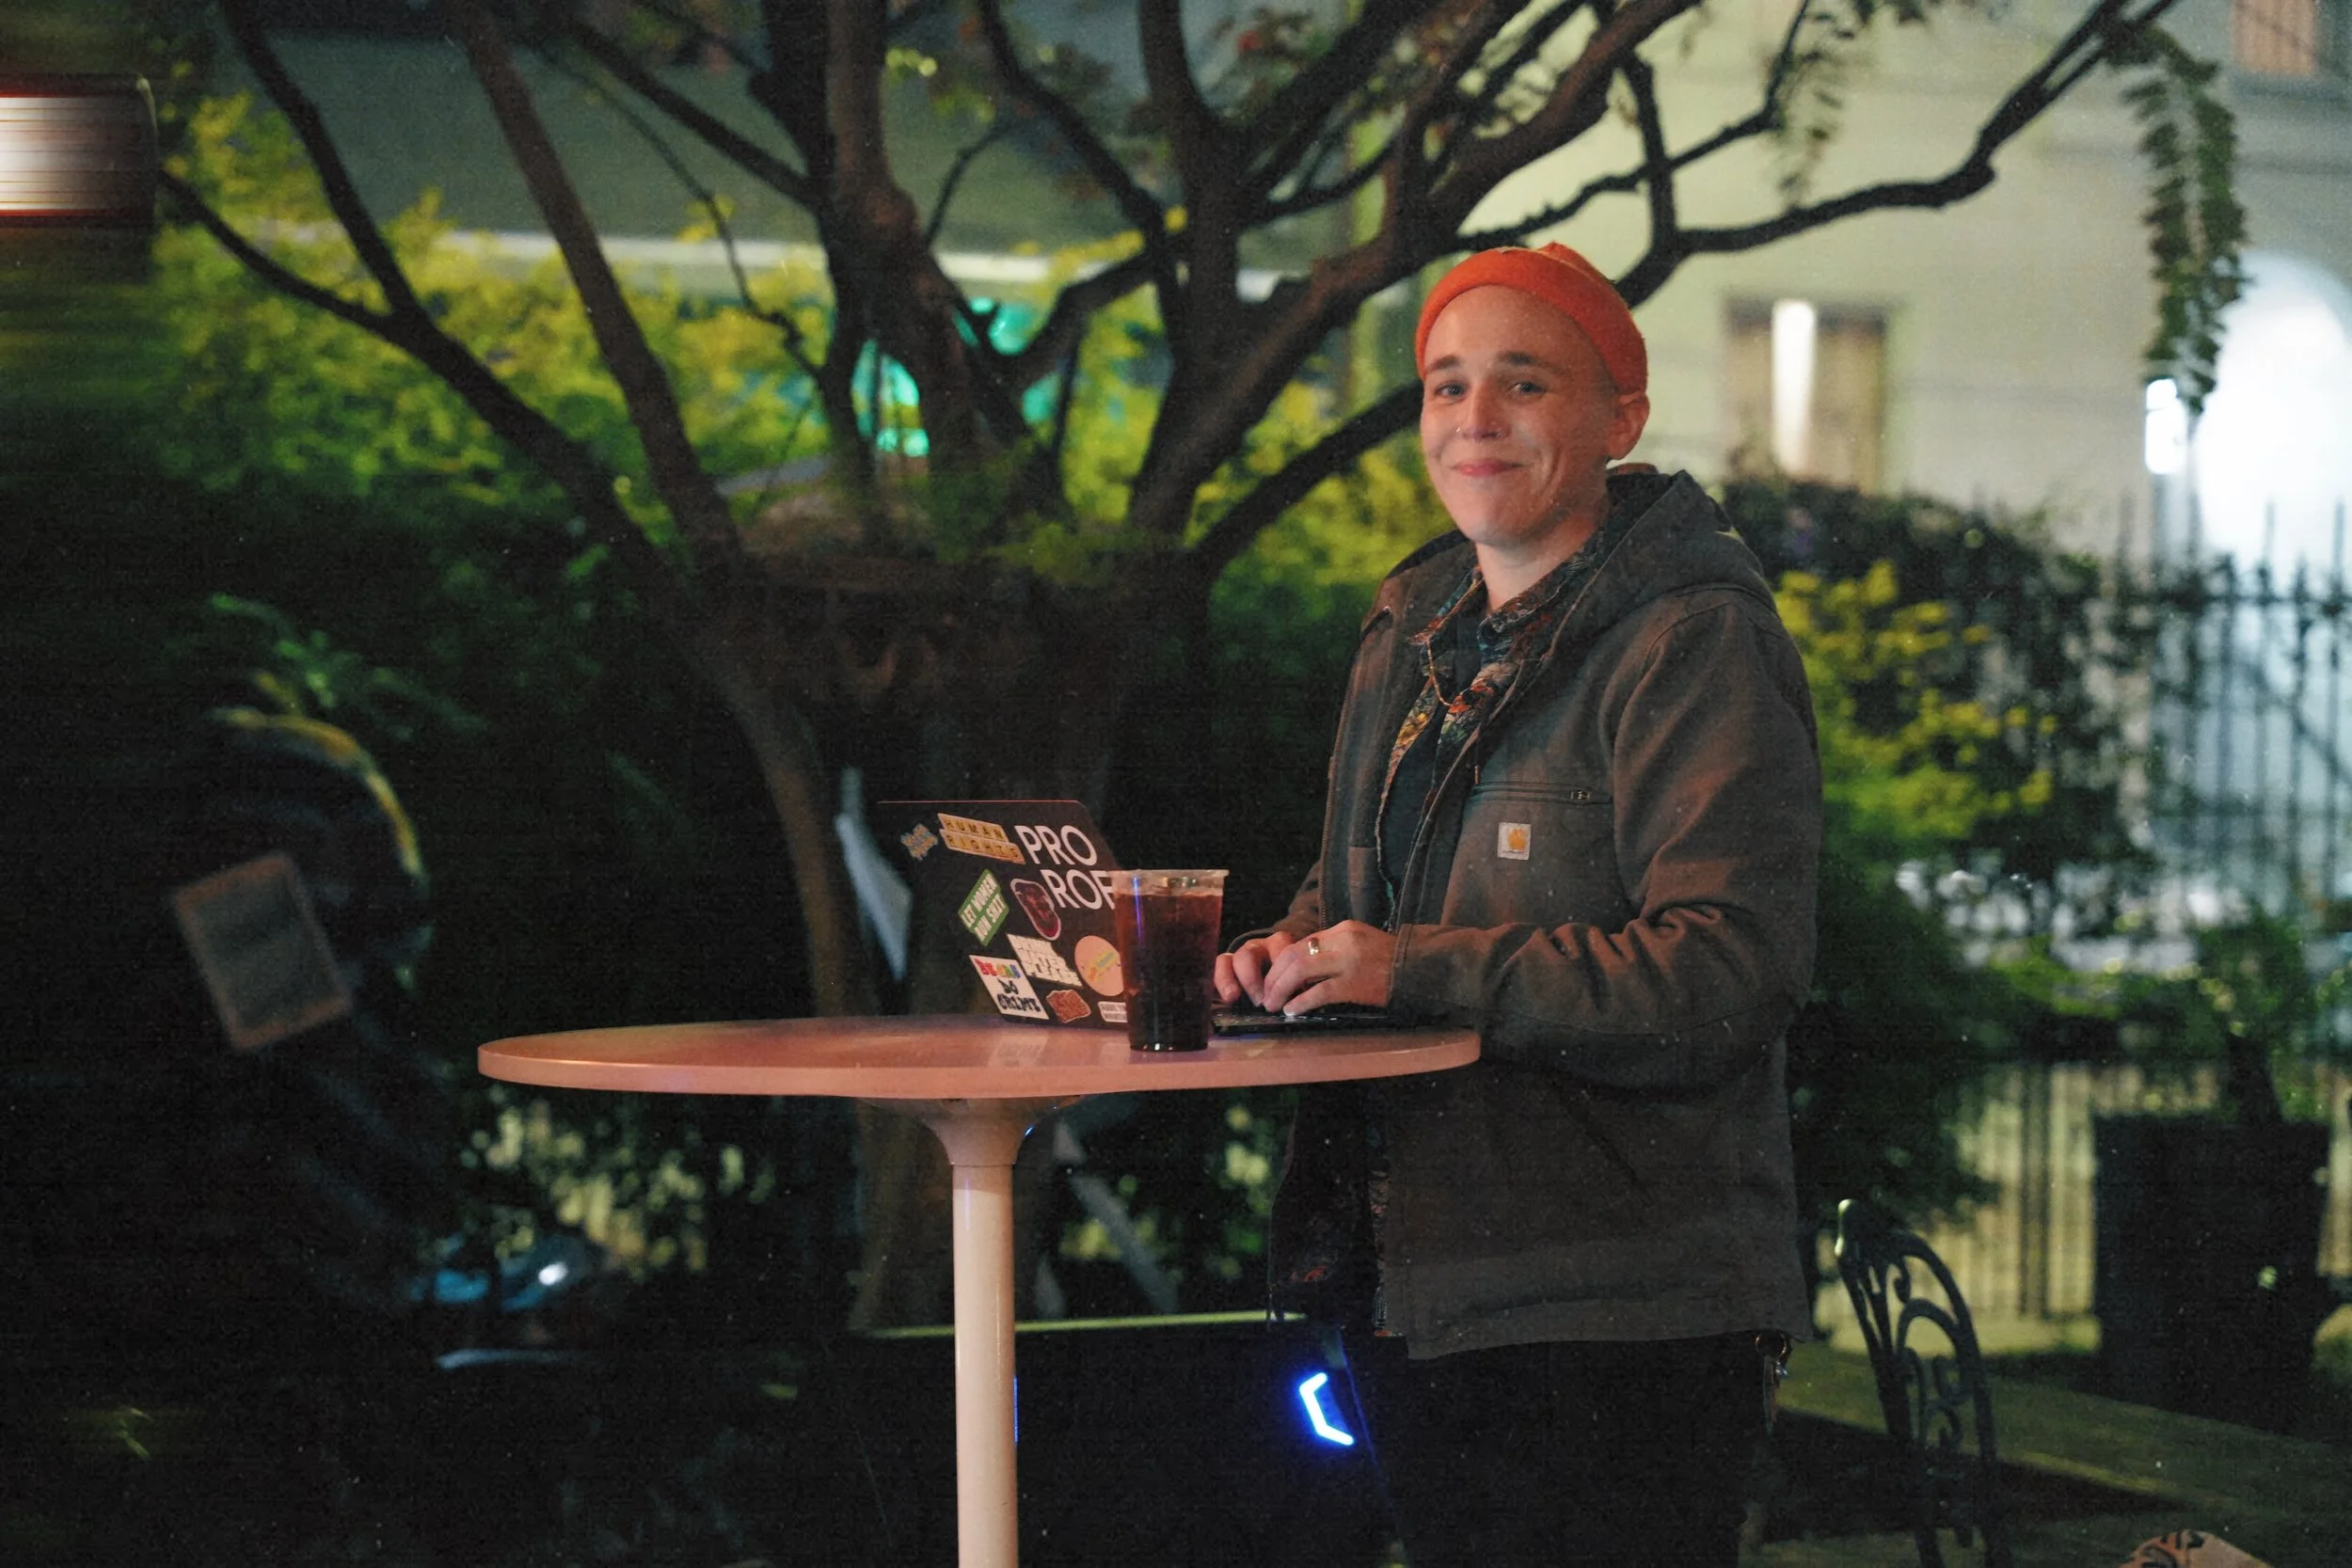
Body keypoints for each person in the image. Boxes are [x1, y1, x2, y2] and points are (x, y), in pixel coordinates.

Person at [1215, 242, 1821, 1566]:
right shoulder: (1411, 630)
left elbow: (1727, 974)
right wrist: (1293, 950)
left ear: (1622, 421)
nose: (1472, 418)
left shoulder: (1691, 638)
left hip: (1619, 1312)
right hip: (1417, 1290)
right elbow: (1364, 891)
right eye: (1444, 384)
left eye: (1522, 382)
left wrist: (1408, 966)